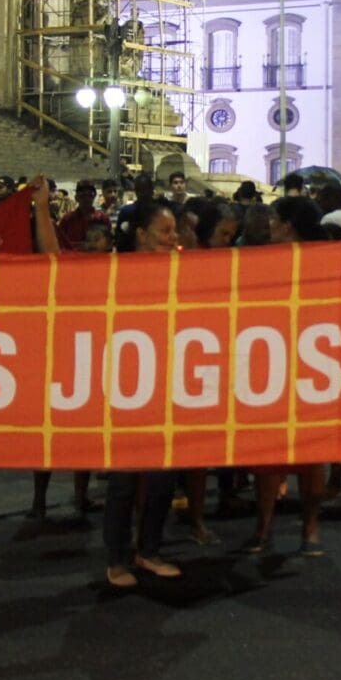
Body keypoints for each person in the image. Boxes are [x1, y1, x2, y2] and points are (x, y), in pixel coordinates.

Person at [239, 196, 330, 558]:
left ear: (288, 226)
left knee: (304, 455)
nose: (269, 226)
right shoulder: (264, 261)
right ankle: (285, 529)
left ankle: (299, 527)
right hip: (278, 363)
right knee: (271, 455)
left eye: (275, 220)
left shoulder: (319, 262)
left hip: (307, 364)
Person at [102, 198, 186, 588]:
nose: (172, 240)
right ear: (140, 235)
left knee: (163, 477)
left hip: (167, 388)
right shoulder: (114, 273)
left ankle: (148, 549)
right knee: (122, 481)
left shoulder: (181, 272)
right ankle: (116, 559)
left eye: (174, 232)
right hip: (124, 389)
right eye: (164, 233)